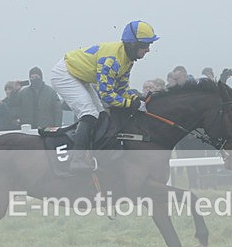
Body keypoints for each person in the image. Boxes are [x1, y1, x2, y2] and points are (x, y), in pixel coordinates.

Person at [50, 19, 158, 173]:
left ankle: (93, 155)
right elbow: (107, 96)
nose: (148, 49)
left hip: (80, 75)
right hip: (65, 74)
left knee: (100, 114)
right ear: (132, 44)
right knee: (89, 113)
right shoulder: (112, 60)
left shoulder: (127, 60)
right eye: (145, 45)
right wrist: (132, 104)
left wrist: (137, 100)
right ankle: (77, 160)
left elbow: (121, 90)